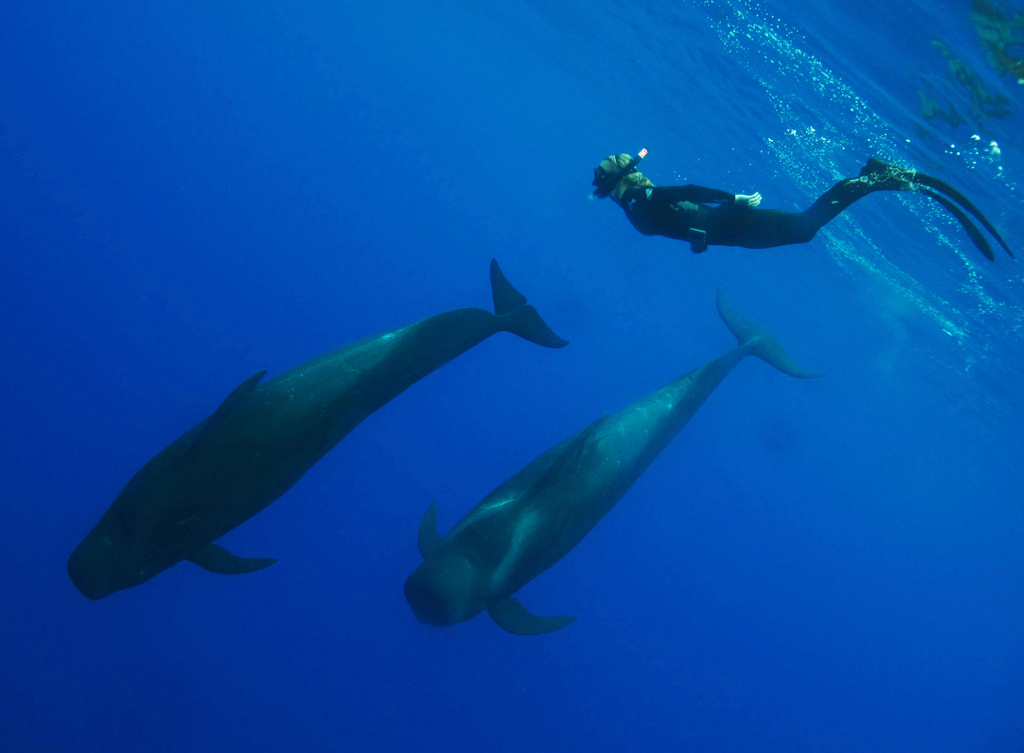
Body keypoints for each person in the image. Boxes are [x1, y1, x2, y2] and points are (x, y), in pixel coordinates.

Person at [592, 151, 1012, 261]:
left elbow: (676, 202)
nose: (643, 173)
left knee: (806, 227)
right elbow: (679, 190)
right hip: (728, 224)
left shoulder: (633, 211)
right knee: (805, 228)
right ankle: (873, 177)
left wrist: (729, 206)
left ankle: (873, 178)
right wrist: (731, 198)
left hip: (729, 228)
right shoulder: (640, 200)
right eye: (635, 168)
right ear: (624, 180)